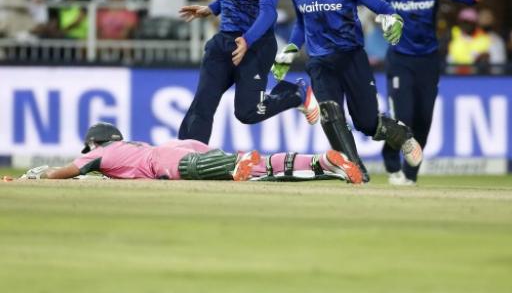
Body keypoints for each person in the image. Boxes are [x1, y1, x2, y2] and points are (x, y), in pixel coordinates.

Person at [271, 0, 423, 183]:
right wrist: (291, 49)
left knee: (366, 123)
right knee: (330, 112)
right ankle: (355, 170)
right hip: (319, 62)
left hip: (351, 58)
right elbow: (301, 24)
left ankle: (400, 134)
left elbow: (383, 8)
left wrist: (391, 19)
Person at [178, 0, 319, 144]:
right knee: (203, 101)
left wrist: (247, 40)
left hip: (256, 45)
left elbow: (267, 12)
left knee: (247, 112)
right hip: (224, 41)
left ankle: (295, 93)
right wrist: (211, 8)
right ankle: (186, 157)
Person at [370, 0, 498, 185]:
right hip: (400, 60)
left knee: (423, 122)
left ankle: (411, 176)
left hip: (428, 62)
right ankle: (391, 159)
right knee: (403, 118)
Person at [18, 122, 362, 184]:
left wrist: (39, 175)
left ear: (97, 140)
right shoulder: (127, 145)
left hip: (163, 159)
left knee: (226, 166)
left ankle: (235, 164)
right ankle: (320, 161)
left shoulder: (101, 152)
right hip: (174, 145)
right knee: (261, 170)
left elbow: (69, 171)